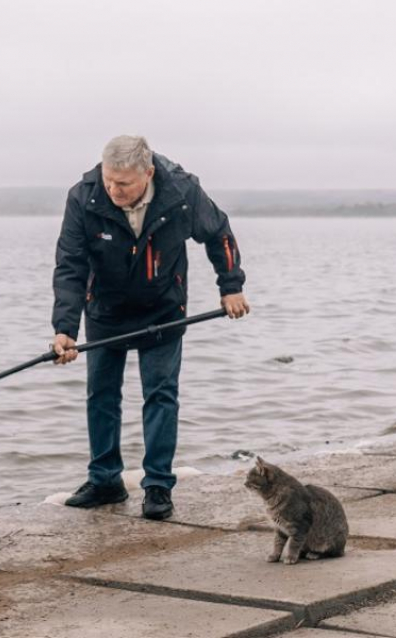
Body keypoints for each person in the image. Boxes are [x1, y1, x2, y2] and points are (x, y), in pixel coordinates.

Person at [51, 135, 249, 520]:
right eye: (109, 180)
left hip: (163, 307)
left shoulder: (182, 192)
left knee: (160, 394)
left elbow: (218, 232)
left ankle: (158, 484)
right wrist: (65, 329)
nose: (114, 190)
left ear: (148, 173)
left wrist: (231, 286)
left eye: (124, 183)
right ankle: (105, 480)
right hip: (105, 309)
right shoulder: (84, 197)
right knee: (101, 395)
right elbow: (70, 264)